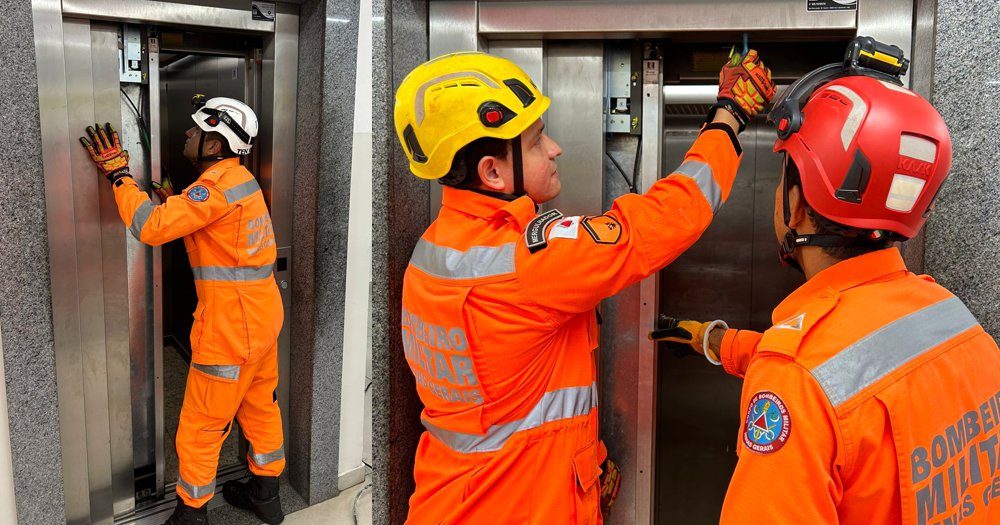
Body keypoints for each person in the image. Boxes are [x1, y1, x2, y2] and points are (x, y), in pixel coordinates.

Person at [393, 50, 775, 523]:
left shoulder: (432, 255)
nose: (554, 148)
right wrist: (729, 117)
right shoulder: (530, 263)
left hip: (456, 500)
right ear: (493, 171)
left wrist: (585, 469)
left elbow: (512, 404)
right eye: (536, 142)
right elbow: (670, 218)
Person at [654, 37, 1000, 524]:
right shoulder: (953, 321)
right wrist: (714, 341)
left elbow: (821, 377)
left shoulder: (796, 380)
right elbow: (851, 369)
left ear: (795, 202)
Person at [80, 96, 286, 525]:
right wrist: (177, 201)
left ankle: (191, 515)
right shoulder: (238, 179)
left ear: (214, 145)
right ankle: (266, 493)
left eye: (196, 130)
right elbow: (220, 235)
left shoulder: (212, 187)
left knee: (201, 424)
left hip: (230, 327)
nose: (187, 134)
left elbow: (151, 228)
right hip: (262, 316)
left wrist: (119, 175)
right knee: (260, 405)